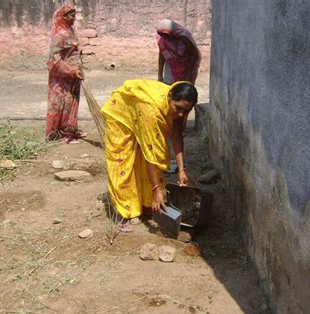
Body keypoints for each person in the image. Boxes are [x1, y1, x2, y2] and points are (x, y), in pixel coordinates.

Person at [100, 80, 198, 232]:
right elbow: (150, 154)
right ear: (169, 96)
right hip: (121, 115)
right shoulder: (151, 111)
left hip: (139, 112)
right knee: (123, 161)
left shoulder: (180, 108)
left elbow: (177, 134)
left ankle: (145, 205)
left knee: (143, 160)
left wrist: (182, 170)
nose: (181, 114)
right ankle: (123, 212)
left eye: (186, 111)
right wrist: (157, 189)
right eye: (177, 108)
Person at [45, 4, 86, 144]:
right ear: (63, 17)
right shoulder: (59, 35)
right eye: (71, 16)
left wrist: (78, 69)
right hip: (62, 78)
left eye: (75, 16)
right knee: (62, 103)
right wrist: (71, 70)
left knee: (72, 102)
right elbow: (52, 60)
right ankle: (58, 134)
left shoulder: (70, 32)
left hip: (73, 77)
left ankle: (70, 130)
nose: (74, 18)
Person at [156, 19, 201, 85]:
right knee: (169, 89)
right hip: (170, 68)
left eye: (166, 34)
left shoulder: (184, 37)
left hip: (185, 70)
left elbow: (193, 55)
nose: (164, 37)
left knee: (183, 90)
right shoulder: (162, 40)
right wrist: (160, 76)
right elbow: (162, 56)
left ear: (172, 31)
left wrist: (189, 74)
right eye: (161, 34)